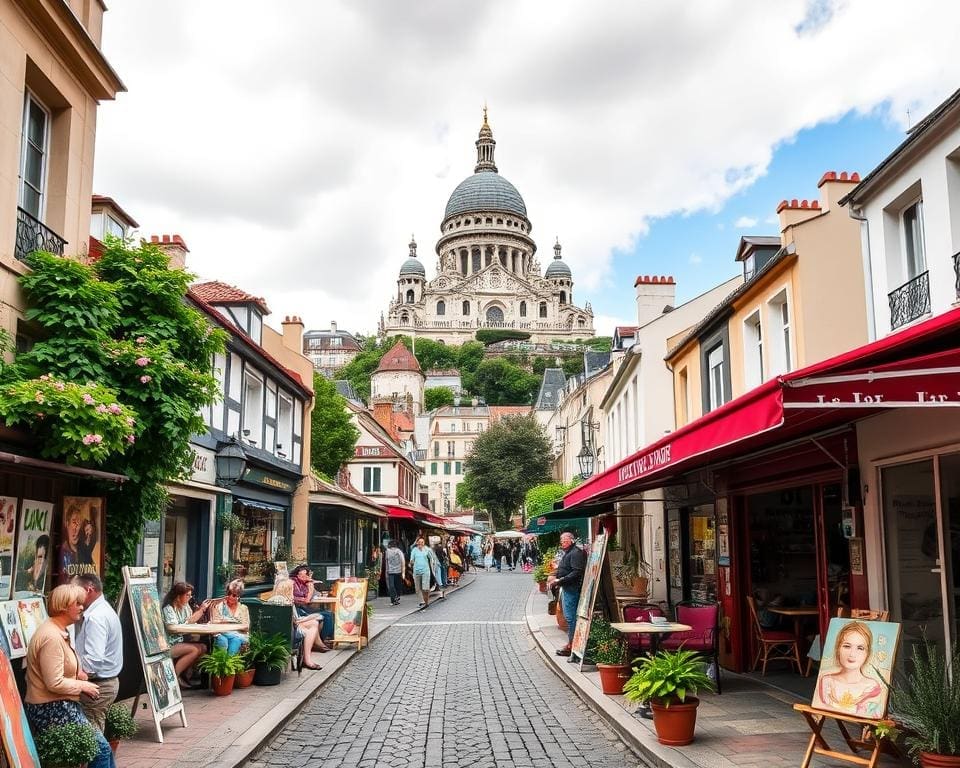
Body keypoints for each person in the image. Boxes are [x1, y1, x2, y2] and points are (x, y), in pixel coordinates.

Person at [23, 583, 114, 768]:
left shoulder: (58, 630)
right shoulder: (52, 637)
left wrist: (78, 675)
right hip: (51, 707)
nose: (82, 607)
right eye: (77, 603)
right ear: (64, 606)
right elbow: (54, 683)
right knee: (101, 750)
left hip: (58, 704)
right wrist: (83, 686)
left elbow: (59, 669)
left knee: (102, 750)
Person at [72, 574, 122, 732]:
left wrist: (74, 674)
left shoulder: (96, 617)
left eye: (75, 591)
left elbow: (93, 661)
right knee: (94, 732)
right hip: (103, 682)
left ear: (88, 589)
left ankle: (104, 758)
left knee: (93, 733)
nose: (73, 596)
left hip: (98, 684)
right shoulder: (102, 610)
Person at [815, 621, 884, 717]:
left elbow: (872, 714)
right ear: (838, 649)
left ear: (867, 654)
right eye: (847, 646)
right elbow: (819, 707)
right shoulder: (827, 681)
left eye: (860, 648)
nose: (852, 654)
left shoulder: (871, 686)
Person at [267, 578, 327, 668]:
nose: (294, 590)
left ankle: (313, 653)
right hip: (288, 631)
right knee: (312, 627)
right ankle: (308, 659)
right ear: (287, 589)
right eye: (292, 588)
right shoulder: (285, 602)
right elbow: (294, 621)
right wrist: (308, 618)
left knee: (314, 623)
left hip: (284, 628)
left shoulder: (276, 599)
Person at [161, 582, 209, 689]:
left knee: (203, 648)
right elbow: (173, 628)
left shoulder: (185, 607)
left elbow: (189, 622)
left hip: (182, 640)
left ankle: (186, 675)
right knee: (194, 650)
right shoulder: (168, 609)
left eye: (190, 595)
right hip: (169, 644)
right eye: (187, 595)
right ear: (178, 597)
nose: (190, 597)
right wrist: (201, 611)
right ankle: (173, 679)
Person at [547, 531, 586, 658]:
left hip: (572, 588)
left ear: (571, 540)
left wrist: (560, 580)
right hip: (566, 587)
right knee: (568, 617)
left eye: (564, 540)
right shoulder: (570, 552)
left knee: (571, 617)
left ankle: (572, 645)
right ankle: (571, 643)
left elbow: (577, 572)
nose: (562, 542)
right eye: (561, 540)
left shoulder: (575, 553)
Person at [290, 565, 334, 642]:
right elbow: (307, 600)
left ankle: (322, 639)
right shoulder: (294, 582)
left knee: (329, 614)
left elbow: (310, 597)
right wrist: (310, 586)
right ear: (297, 575)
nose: (305, 577)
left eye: (306, 575)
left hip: (304, 608)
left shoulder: (304, 583)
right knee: (327, 615)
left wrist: (311, 585)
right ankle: (321, 640)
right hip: (298, 611)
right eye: (301, 575)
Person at [209, 579, 250, 655]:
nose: (230, 596)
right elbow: (214, 622)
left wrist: (225, 622)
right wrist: (234, 623)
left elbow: (246, 627)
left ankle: (226, 664)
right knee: (223, 640)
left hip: (240, 635)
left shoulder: (243, 608)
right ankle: (228, 664)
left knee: (236, 639)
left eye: (234, 595)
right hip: (222, 633)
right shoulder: (219, 606)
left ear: (239, 596)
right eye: (229, 593)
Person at [409, 537, 437, 610]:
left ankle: (426, 602)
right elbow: (411, 559)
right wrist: (411, 562)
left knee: (425, 588)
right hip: (416, 571)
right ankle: (422, 602)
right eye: (419, 542)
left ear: (424, 543)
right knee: (417, 589)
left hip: (425, 571)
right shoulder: (414, 550)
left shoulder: (427, 550)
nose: (421, 543)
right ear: (417, 543)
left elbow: (432, 559)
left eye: (422, 542)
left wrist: (433, 569)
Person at [385, 540, 406, 606]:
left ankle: (396, 597)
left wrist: (403, 572)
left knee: (396, 585)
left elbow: (402, 561)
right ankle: (393, 599)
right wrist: (386, 570)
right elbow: (386, 561)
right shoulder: (387, 551)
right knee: (392, 586)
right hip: (391, 571)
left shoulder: (398, 551)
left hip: (398, 571)